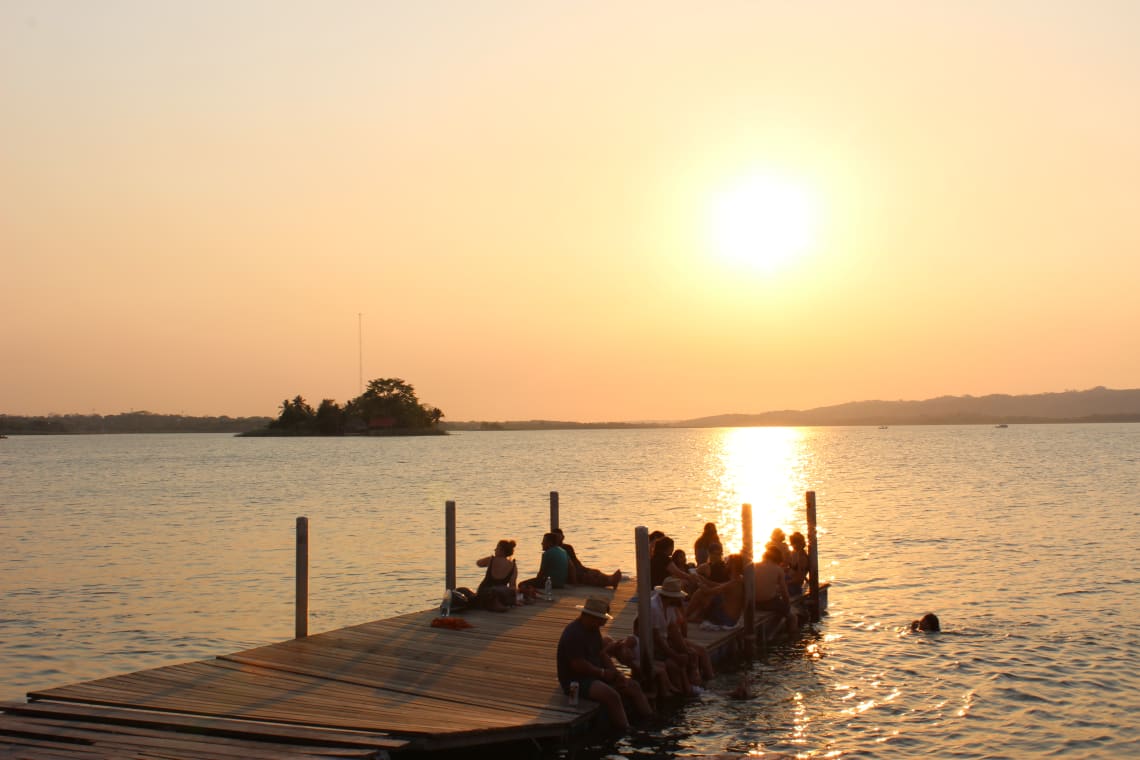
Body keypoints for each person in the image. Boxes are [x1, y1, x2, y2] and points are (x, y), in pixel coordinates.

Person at [556, 597, 653, 731]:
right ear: (591, 617)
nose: (604, 622)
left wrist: (616, 674)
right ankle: (625, 729)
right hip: (577, 680)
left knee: (633, 686)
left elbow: (601, 654)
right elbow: (578, 665)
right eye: (601, 619)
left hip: (594, 674)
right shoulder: (574, 634)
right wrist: (602, 673)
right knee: (612, 696)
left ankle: (650, 720)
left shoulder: (593, 630)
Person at [553, 528, 621, 588]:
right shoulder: (556, 550)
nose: (558, 538)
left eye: (559, 536)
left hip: (579, 569)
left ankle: (610, 579)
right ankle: (611, 581)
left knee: (595, 572)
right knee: (590, 577)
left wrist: (583, 569)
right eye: (555, 537)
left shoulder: (568, 547)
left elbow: (575, 561)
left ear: (563, 537)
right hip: (571, 573)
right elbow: (569, 566)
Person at [754, 546, 798, 638]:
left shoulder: (754, 566)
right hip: (769, 602)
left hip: (754, 602)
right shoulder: (778, 569)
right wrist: (787, 606)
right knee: (793, 617)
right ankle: (793, 637)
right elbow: (784, 592)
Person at [475, 538, 518, 612]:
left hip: (486, 592)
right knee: (505, 591)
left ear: (502, 551)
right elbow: (512, 585)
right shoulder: (513, 566)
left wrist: (489, 559)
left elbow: (478, 563)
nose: (494, 550)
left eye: (497, 548)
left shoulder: (491, 560)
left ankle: (494, 603)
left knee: (490, 593)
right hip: (501, 593)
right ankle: (499, 603)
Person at [786, 532, 810, 599]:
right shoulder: (796, 554)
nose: (792, 545)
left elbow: (799, 578)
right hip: (790, 580)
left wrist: (784, 583)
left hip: (794, 586)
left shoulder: (802, 558)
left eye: (793, 543)